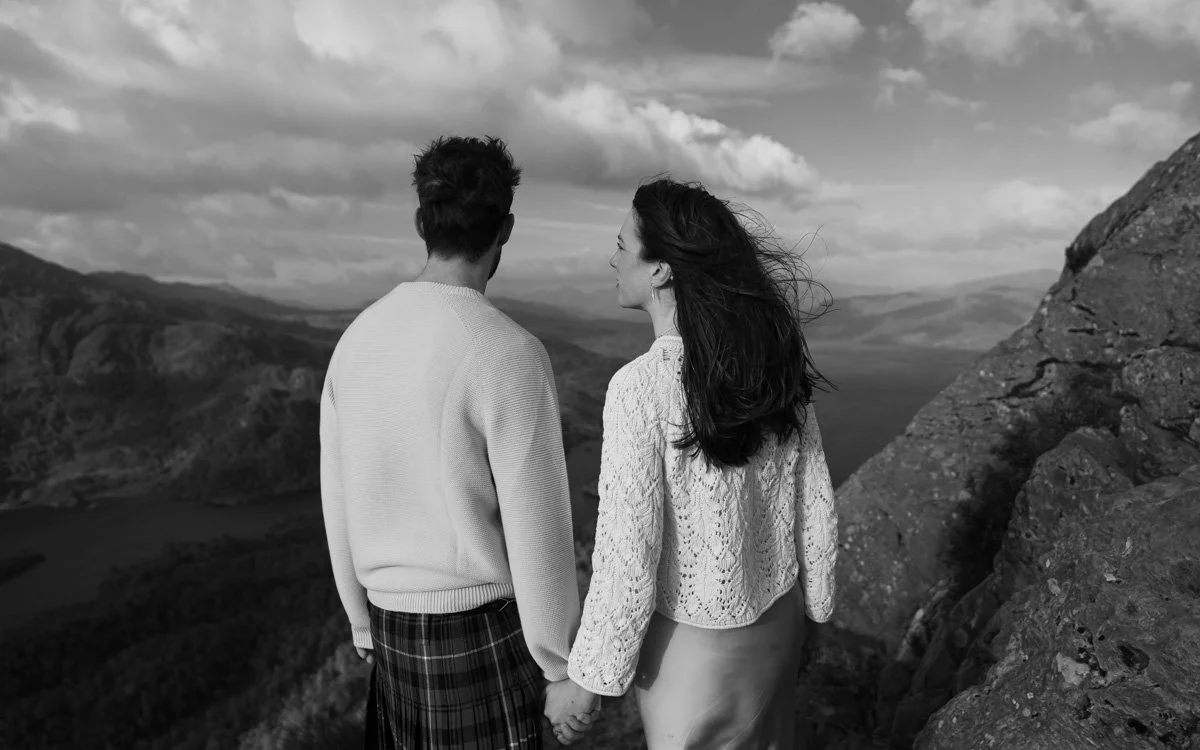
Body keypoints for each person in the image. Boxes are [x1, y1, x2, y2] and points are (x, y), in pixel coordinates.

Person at [319, 135, 598, 749]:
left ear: (423, 221)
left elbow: (337, 496)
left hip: (391, 637)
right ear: (506, 229)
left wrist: (362, 622)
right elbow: (539, 524)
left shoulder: (356, 341)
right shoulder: (508, 350)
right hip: (480, 638)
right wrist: (559, 665)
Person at [550, 177, 839, 749]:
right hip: (778, 628)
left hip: (691, 652)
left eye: (622, 245)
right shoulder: (771, 368)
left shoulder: (639, 388)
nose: (611, 259)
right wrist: (817, 616)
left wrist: (587, 682)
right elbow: (817, 506)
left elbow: (627, 551)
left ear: (661, 270)